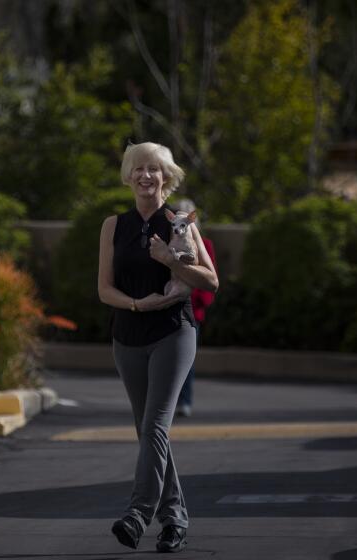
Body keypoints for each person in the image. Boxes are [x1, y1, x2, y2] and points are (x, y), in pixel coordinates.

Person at [98, 142, 219, 553]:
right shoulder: (113, 226)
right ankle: (175, 518)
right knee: (149, 433)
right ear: (128, 176)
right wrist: (135, 303)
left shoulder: (181, 222)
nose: (146, 176)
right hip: (127, 337)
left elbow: (211, 281)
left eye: (154, 169)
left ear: (166, 176)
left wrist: (171, 259)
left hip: (173, 331)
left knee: (154, 428)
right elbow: (104, 290)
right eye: (139, 169)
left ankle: (137, 515)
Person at [172, 199, 217, 418]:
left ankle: (185, 400)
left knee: (186, 360)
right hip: (169, 305)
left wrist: (198, 302)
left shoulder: (205, 244)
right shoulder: (170, 242)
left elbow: (209, 278)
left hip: (192, 311)